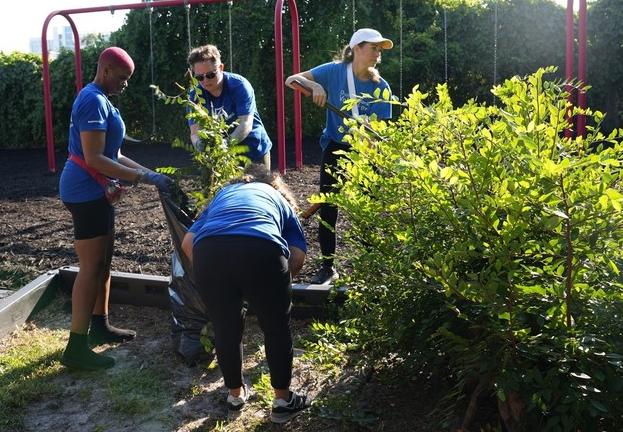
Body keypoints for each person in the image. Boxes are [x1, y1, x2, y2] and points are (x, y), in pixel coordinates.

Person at [58, 46, 174, 371]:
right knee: (91, 268)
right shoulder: (93, 100)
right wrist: (140, 178)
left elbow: (115, 153)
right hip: (84, 191)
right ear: (106, 70)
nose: (125, 84)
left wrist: (151, 176)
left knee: (104, 263)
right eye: (122, 78)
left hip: (96, 190)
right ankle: (76, 347)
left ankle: (100, 325)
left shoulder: (103, 100)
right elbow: (94, 158)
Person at [181, 164, 311, 424]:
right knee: (276, 328)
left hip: (208, 252)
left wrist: (219, 281)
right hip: (260, 248)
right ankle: (283, 402)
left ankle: (235, 396)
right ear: (276, 186)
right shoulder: (278, 198)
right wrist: (277, 288)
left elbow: (187, 243)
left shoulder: (223, 196)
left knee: (226, 329)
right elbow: (297, 255)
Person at [285, 28, 394, 285]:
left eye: (379, 50)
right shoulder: (334, 71)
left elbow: (377, 133)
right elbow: (292, 79)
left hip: (366, 153)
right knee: (329, 207)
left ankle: (369, 268)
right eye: (373, 48)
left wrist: (368, 144)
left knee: (366, 210)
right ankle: (328, 267)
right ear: (357, 48)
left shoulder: (381, 87)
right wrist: (313, 85)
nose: (377, 54)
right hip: (335, 147)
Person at [186, 44, 273, 169]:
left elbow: (246, 123)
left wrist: (224, 145)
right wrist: (202, 147)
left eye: (210, 75)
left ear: (221, 68)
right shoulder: (195, 96)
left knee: (260, 186)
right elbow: (195, 132)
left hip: (254, 150)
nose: (205, 81)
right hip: (223, 160)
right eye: (200, 77)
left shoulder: (239, 86)